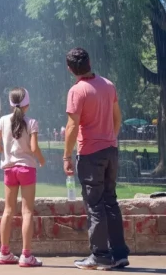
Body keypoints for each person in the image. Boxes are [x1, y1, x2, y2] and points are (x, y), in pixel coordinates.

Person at [62, 47, 129, 270]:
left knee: (95, 205)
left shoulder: (77, 91)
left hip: (90, 153)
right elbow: (117, 117)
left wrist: (66, 156)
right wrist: (109, 138)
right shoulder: (108, 85)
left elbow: (72, 126)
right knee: (111, 201)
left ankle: (100, 256)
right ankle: (119, 254)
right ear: (90, 62)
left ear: (70, 68)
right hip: (111, 151)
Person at [0, 87, 45, 267]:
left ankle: (4, 252)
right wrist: (42, 160)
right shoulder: (31, 122)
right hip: (27, 168)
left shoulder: (3, 120)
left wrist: (6, 154)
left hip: (9, 169)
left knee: (8, 210)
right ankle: (26, 255)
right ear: (27, 104)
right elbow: (34, 147)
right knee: (27, 211)